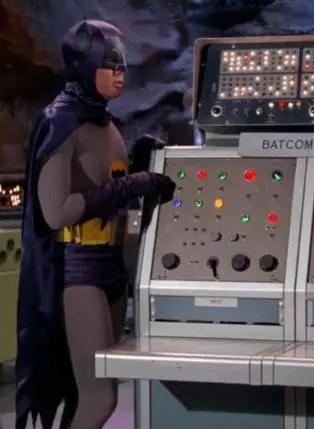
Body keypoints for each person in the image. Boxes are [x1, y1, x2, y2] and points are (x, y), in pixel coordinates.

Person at [16, 20, 175, 429]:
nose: (121, 73)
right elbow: (56, 211)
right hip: (78, 272)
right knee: (100, 399)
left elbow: (102, 183)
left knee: (88, 394)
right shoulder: (61, 122)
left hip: (110, 267)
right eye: (110, 64)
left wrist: (137, 163)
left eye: (123, 64)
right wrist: (131, 186)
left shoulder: (104, 122)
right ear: (85, 65)